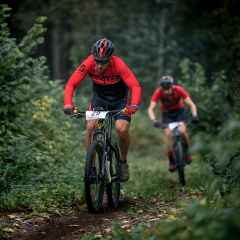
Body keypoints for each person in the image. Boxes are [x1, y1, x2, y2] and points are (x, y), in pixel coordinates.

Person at [63, 38, 142, 182]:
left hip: (120, 100)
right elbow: (71, 84)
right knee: (90, 126)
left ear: (110, 59)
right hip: (100, 99)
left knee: (122, 129)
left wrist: (134, 104)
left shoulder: (119, 65)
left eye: (103, 62)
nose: (99, 66)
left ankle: (122, 162)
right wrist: (68, 104)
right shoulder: (88, 63)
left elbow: (135, 86)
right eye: (97, 61)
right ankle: (91, 168)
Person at [147, 76, 199, 172]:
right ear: (162, 88)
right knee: (168, 134)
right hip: (167, 114)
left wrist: (195, 115)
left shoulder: (178, 89)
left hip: (179, 112)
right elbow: (151, 109)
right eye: (164, 89)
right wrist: (154, 120)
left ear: (172, 86)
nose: (166, 91)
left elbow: (191, 104)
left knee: (182, 131)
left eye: (168, 89)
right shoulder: (158, 92)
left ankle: (187, 153)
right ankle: (171, 161)